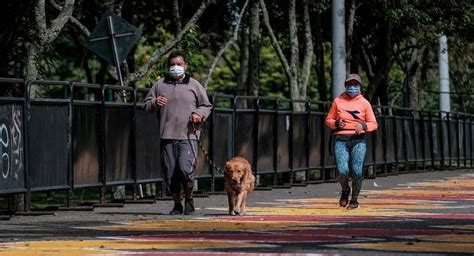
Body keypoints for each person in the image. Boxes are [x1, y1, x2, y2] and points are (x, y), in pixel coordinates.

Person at [145, 51, 212, 215]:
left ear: (185, 66)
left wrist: (198, 114)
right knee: (170, 173)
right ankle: (177, 204)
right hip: (167, 136)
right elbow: (146, 105)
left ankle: (189, 197)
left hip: (188, 136)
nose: (175, 67)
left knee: (185, 169)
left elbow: (206, 106)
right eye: (172, 64)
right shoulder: (160, 85)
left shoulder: (194, 85)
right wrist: (154, 102)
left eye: (179, 64)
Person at [325, 73, 378, 210]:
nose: (352, 87)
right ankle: (345, 190)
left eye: (355, 85)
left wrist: (364, 126)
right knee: (342, 170)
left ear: (359, 86)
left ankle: (354, 199)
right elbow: (328, 120)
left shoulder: (364, 103)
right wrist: (336, 123)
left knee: (357, 171)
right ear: (345, 86)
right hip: (340, 140)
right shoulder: (337, 101)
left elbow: (374, 123)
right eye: (350, 84)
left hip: (358, 141)